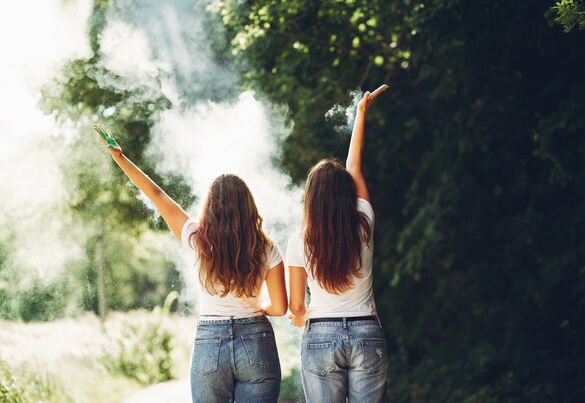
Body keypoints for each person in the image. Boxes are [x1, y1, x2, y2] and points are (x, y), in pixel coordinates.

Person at [94, 125, 287, 403]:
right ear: (249, 207)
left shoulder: (197, 239)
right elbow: (280, 307)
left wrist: (121, 158)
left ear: (210, 207)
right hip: (256, 339)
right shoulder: (267, 247)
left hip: (210, 341)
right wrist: (258, 309)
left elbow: (157, 195)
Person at [286, 84, 389, 403]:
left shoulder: (300, 239)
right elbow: (354, 167)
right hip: (366, 333)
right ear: (348, 194)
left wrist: (298, 317)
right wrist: (361, 114)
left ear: (311, 199)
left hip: (320, 336)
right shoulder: (364, 224)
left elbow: (297, 308)